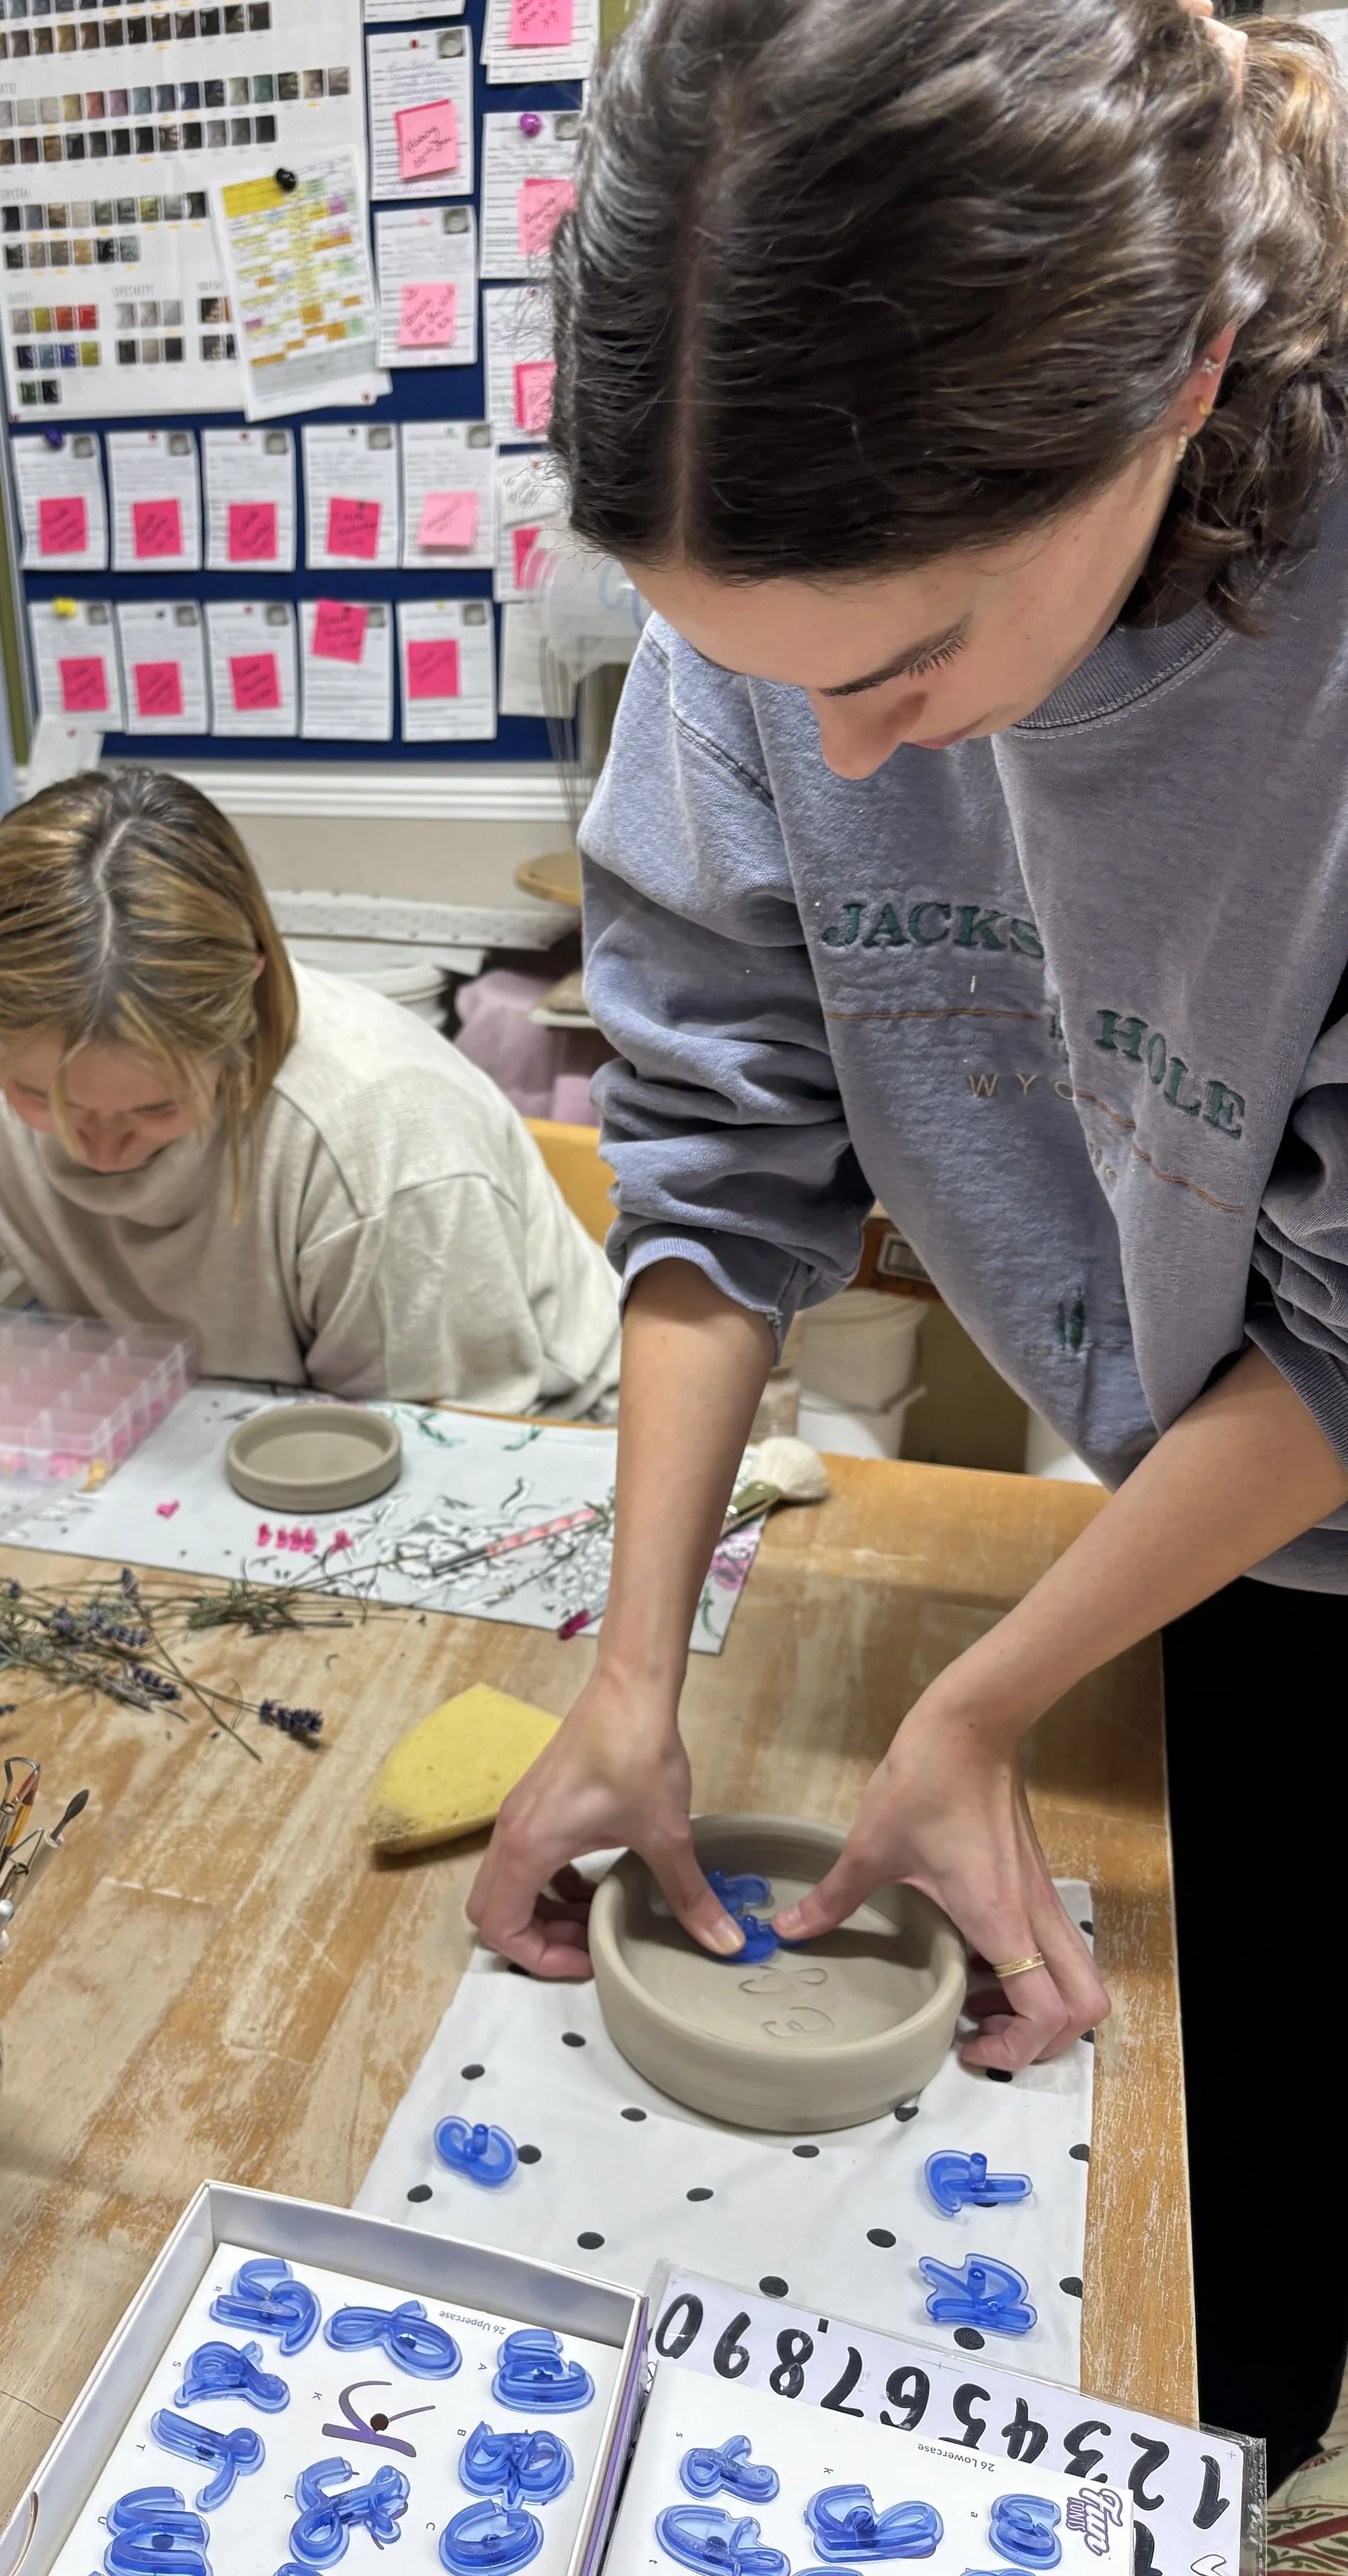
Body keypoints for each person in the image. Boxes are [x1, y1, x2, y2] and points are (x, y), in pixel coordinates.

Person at [466, 0, 1348, 2475]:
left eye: (904, 664)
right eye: (760, 680)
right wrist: (634, 1668)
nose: (835, 761)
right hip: (1200, 1493)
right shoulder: (769, 581)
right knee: (1174, 2244)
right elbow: (722, 1124)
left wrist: (970, 1704)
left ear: (1173, 385)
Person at [0, 767, 620, 1464]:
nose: (96, 1145)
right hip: (191, 1424)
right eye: (35, 1102)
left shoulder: (377, 1137)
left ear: (242, 1007)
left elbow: (441, 1464)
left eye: (153, 1108)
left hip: (528, 1449)